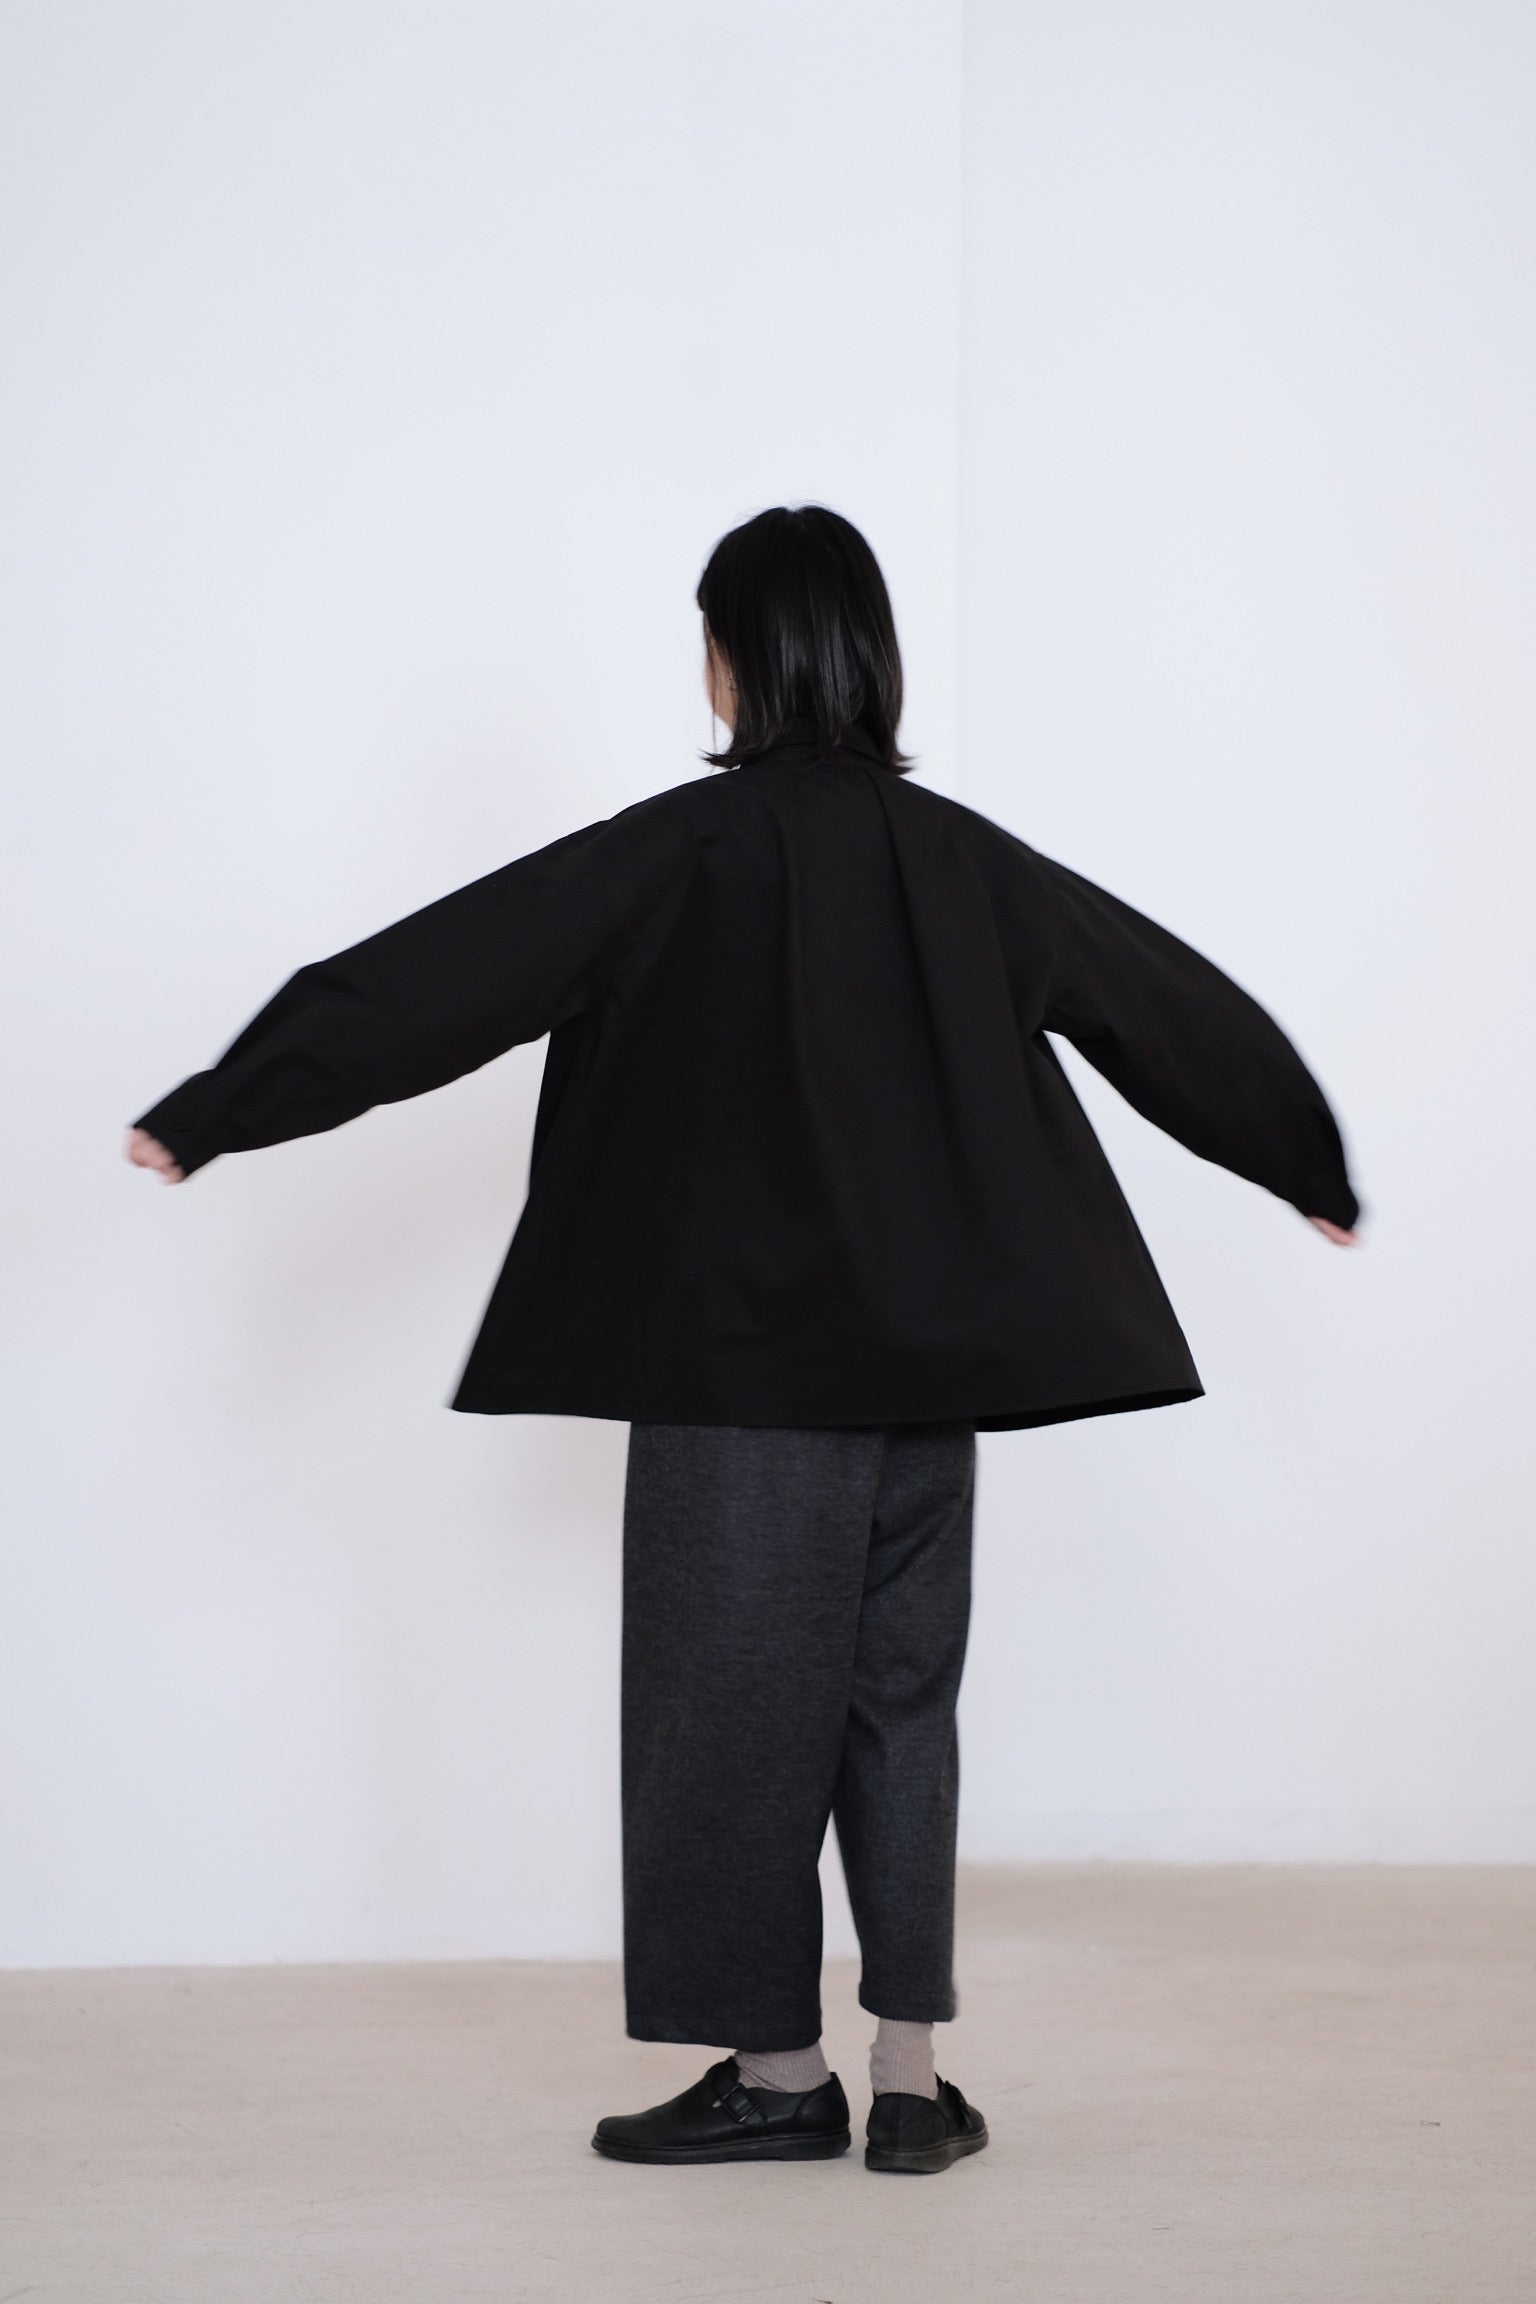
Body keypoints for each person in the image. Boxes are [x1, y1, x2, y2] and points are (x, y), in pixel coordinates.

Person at [127, 503, 1361, 2176]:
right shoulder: (970, 863)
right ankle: (912, 2084)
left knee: (724, 1723)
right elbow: (1167, 1002)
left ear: (730, 661)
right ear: (871, 660)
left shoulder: (670, 855)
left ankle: (781, 2081)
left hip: (743, 1383)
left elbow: (432, 982)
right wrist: (1303, 1160)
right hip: (931, 1381)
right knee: (899, 1711)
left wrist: (222, 1108)